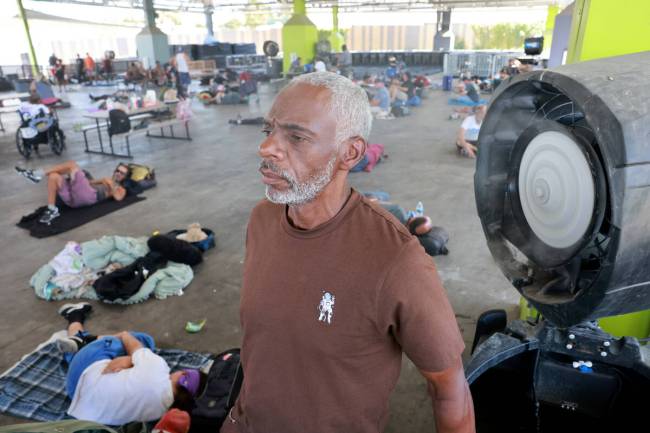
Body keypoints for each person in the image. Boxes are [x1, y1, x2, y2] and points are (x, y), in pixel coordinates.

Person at [220, 71, 473, 433]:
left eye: (295, 137)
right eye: (269, 131)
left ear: (350, 153)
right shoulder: (262, 220)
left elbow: (449, 391)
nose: (267, 148)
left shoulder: (397, 260)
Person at [54, 302, 204, 425]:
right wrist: (131, 362)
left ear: (183, 374)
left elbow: (130, 341)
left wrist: (126, 345)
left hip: (84, 371)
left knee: (142, 340)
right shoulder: (158, 414)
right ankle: (75, 317)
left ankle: (87, 340)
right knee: (75, 351)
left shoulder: (157, 367)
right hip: (76, 397)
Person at [15, 161, 132, 224]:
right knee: (53, 176)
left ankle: (37, 174)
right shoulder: (106, 179)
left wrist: (110, 185)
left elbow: (118, 198)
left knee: (72, 164)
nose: (118, 173)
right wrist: (102, 180)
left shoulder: (120, 188)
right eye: (118, 170)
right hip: (74, 199)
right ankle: (52, 209)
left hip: (89, 196)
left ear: (125, 177)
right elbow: (89, 182)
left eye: (122, 173)